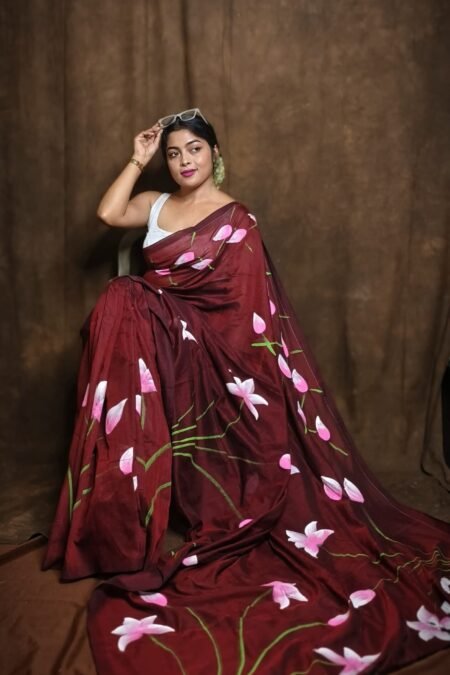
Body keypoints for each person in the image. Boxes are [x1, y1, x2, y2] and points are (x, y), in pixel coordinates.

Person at [44, 108, 450, 674]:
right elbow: (109, 213)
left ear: (214, 154)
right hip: (151, 341)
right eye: (174, 154)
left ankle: (135, 507)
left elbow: (244, 312)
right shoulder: (155, 204)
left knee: (125, 296)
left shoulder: (236, 219)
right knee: (124, 298)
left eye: (194, 150)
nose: (184, 161)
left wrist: (175, 321)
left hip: (209, 353)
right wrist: (137, 159)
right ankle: (117, 515)